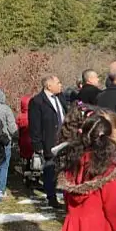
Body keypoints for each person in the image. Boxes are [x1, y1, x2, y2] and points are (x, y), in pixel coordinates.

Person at [29, 75, 67, 209]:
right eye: (58, 82)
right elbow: (34, 125)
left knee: (65, 169)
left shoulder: (61, 98)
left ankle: (66, 195)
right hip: (49, 141)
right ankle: (52, 197)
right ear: (49, 86)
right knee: (50, 169)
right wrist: (37, 144)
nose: (61, 85)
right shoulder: (37, 101)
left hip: (64, 140)